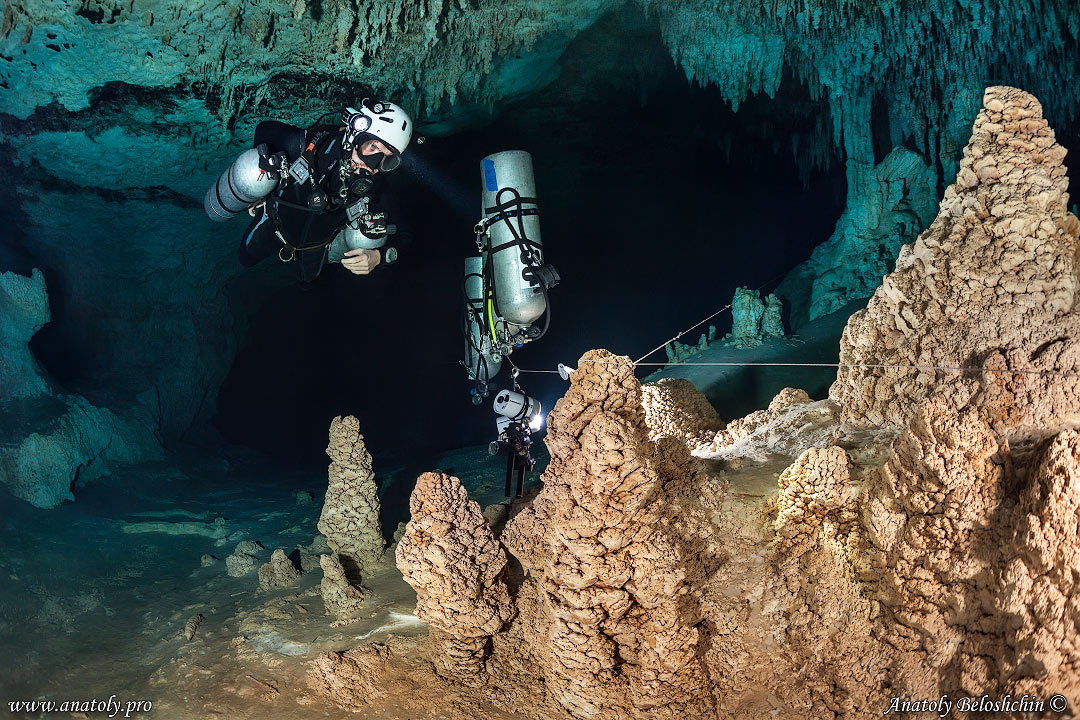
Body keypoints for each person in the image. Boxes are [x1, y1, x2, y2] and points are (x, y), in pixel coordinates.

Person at [237, 98, 414, 283]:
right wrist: (262, 185)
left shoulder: (375, 189)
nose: (372, 165)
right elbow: (265, 130)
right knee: (244, 259)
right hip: (273, 225)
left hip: (315, 249)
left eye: (385, 159)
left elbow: (406, 233)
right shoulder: (310, 147)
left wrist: (379, 257)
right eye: (371, 147)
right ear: (354, 135)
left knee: (306, 284)